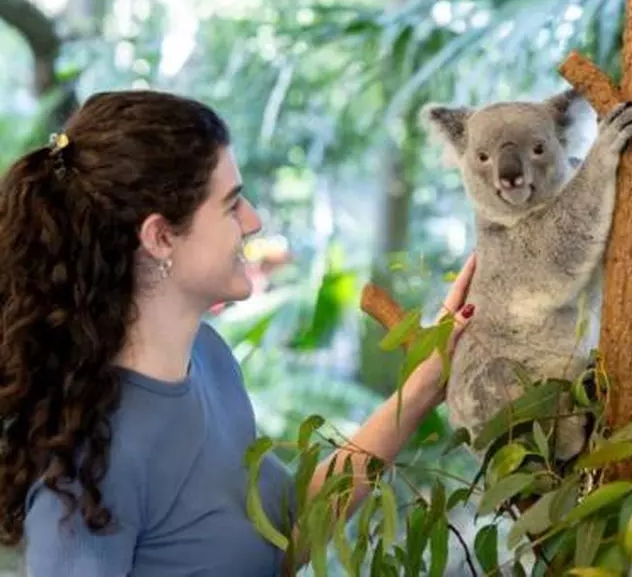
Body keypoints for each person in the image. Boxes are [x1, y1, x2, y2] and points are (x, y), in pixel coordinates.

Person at [0, 90, 476, 575]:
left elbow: (284, 531)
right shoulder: (88, 464)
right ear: (160, 236)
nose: (253, 220)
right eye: (230, 205)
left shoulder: (208, 359)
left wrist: (422, 386)